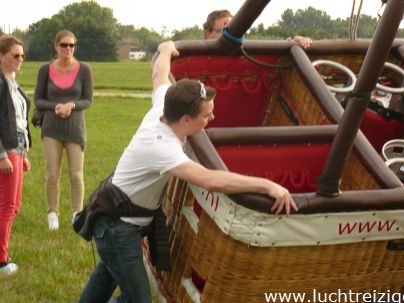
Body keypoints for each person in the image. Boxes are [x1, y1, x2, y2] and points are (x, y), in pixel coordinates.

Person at [78, 40, 298, 303]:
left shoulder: (164, 106)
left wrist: (166, 48)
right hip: (118, 228)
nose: (211, 119)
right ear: (185, 119)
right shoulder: (162, 146)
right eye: (206, 116)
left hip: (119, 221)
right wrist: (267, 185)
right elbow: (210, 179)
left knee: (105, 279)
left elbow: (159, 73)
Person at [34, 30, 93, 230]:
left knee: (76, 174)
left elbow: (88, 100)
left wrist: (72, 105)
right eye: (64, 45)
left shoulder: (84, 69)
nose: (68, 48)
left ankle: (77, 214)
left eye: (72, 45)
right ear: (56, 46)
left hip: (75, 129)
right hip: (51, 128)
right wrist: (55, 107)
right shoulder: (45, 69)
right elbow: (38, 100)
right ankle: (52, 214)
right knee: (52, 174)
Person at [0, 35, 31, 275]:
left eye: (22, 55)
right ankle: (1, 260)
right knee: (7, 205)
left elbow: (19, 122)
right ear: (1, 56)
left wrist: (25, 152)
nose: (20, 59)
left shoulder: (12, 82)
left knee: (14, 205)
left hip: (18, 149)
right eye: (15, 55)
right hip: (6, 150)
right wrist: (2, 155)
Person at [203, 9, 313, 49]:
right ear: (207, 34)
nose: (231, 35)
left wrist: (293, 42)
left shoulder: (250, 54)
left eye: (236, 30)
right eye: (223, 30)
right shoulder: (191, 60)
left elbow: (275, 56)